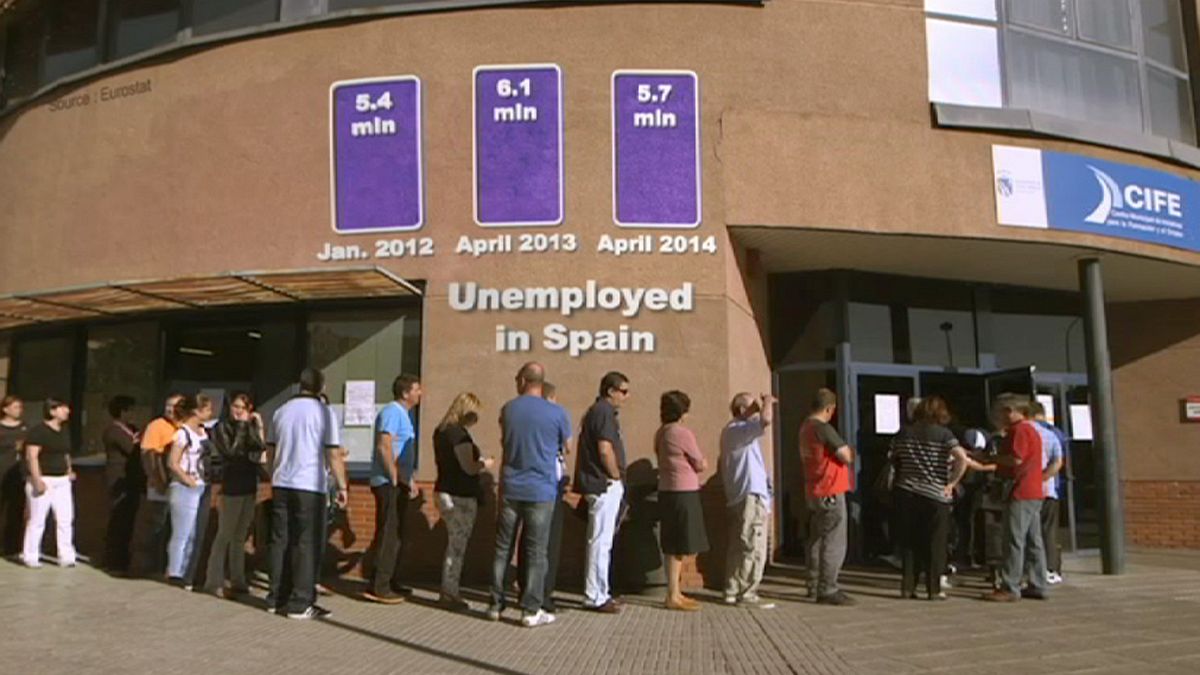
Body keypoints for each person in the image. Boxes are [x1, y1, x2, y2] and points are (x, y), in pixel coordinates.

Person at [488, 362, 572, 628]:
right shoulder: (558, 413)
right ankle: (530, 609)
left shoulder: (508, 409)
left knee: (503, 548)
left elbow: (505, 443)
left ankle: (495, 604)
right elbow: (567, 446)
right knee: (537, 552)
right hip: (541, 489)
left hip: (512, 485)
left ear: (523, 380)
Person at [266, 368, 348, 619]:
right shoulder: (324, 413)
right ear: (320, 387)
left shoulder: (281, 411)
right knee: (307, 544)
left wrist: (274, 475)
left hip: (281, 483)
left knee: (280, 541)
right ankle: (301, 602)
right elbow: (332, 453)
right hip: (309, 484)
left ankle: (276, 597)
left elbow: (270, 451)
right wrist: (342, 485)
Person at [889, 396, 982, 600]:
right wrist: (952, 482)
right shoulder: (944, 434)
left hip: (907, 491)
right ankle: (934, 589)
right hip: (935, 494)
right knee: (935, 543)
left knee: (910, 542)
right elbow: (961, 458)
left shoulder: (904, 433)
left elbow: (893, 457)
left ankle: (908, 587)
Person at [982, 394, 1050, 602]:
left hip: (1020, 490)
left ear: (1011, 411)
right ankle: (1038, 583)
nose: (999, 416)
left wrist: (992, 458)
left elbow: (1016, 459)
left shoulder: (1019, 430)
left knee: (1014, 539)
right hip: (1034, 490)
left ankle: (1010, 586)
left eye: (1002, 411)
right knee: (1033, 540)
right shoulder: (1032, 429)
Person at [364, 374, 422, 604]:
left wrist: (409, 480)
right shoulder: (391, 412)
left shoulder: (405, 415)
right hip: (388, 483)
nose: (420, 393)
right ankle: (379, 586)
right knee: (388, 534)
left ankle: (390, 579)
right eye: (416, 389)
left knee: (396, 535)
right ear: (405, 393)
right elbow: (384, 445)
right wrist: (394, 476)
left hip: (399, 482)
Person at [576, 371, 631, 614]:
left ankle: (601, 591)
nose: (626, 397)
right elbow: (605, 449)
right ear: (610, 391)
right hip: (603, 484)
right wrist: (615, 476)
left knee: (601, 540)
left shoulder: (598, 412)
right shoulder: (604, 412)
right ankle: (595, 596)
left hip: (599, 483)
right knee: (600, 541)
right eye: (623, 391)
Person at [434, 392, 493, 610]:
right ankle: (449, 592)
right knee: (457, 546)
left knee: (454, 542)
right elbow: (468, 467)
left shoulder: (440, 431)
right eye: (474, 415)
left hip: (443, 490)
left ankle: (449, 590)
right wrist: (485, 464)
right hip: (460, 495)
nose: (475, 420)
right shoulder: (459, 435)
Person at [203, 393, 266, 598]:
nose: (238, 411)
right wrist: (241, 426)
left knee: (240, 536)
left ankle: (238, 579)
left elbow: (259, 449)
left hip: (248, 485)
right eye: (235, 407)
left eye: (243, 408)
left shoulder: (249, 427)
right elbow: (232, 451)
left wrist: (258, 427)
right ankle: (213, 581)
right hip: (231, 485)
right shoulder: (221, 428)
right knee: (225, 534)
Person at [799, 388, 855, 606]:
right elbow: (845, 455)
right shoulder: (822, 428)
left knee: (816, 539)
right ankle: (828, 588)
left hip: (814, 489)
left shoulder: (805, 427)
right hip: (830, 488)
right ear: (829, 409)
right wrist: (850, 451)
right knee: (833, 540)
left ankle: (813, 584)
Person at [721, 392, 776, 609]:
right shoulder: (738, 430)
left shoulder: (735, 432)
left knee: (739, 545)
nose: (757, 409)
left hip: (741, 497)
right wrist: (768, 401)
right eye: (753, 406)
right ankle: (747, 593)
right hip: (749, 497)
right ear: (742, 410)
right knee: (753, 546)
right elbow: (766, 420)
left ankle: (732, 590)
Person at [656, 390, 709, 611]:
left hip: (667, 490)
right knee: (679, 543)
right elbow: (699, 463)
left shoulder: (661, 432)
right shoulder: (681, 433)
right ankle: (672, 594)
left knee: (674, 543)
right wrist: (704, 462)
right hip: (683, 491)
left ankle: (675, 591)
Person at [132, 392, 184, 577]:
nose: (170, 410)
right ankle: (152, 567)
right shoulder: (157, 426)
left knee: (174, 527)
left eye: (174, 406)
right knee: (157, 526)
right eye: (167, 406)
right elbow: (148, 456)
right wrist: (155, 480)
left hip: (180, 486)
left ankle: (171, 567)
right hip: (160, 485)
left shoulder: (184, 427)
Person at [22, 398, 77, 568]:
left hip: (62, 480)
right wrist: (37, 479)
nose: (67, 411)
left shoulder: (64, 431)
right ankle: (31, 555)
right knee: (37, 519)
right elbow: (32, 456)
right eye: (62, 408)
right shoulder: (38, 431)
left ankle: (66, 555)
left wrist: (69, 469)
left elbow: (65, 453)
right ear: (52, 411)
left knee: (65, 519)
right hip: (44, 479)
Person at [165, 394, 213, 587]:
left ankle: (186, 574)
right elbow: (173, 462)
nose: (210, 413)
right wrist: (187, 479)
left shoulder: (204, 432)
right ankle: (174, 572)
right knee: (182, 533)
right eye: (207, 409)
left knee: (193, 533)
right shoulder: (182, 434)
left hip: (202, 484)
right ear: (196, 411)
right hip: (185, 487)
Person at [102, 395, 142, 575]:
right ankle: (114, 560)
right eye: (130, 410)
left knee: (129, 520)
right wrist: (138, 442)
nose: (134, 414)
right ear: (122, 411)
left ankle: (124, 559)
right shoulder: (113, 431)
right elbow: (133, 448)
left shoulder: (132, 429)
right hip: (118, 478)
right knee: (119, 519)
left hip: (132, 479)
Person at [1031, 402, 1065, 585]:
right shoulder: (1055, 433)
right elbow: (1059, 460)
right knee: (1050, 530)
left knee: (1033, 531)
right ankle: (1052, 569)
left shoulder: (1030, 431)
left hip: (1031, 490)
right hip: (1051, 488)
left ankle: (1036, 568)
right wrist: (1046, 477)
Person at [0, 395, 27, 558]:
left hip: (17, 474)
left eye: (20, 407)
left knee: (16, 510)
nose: (19, 410)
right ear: (5, 409)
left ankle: (12, 547)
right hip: (1, 471)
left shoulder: (25, 428)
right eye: (16, 407)